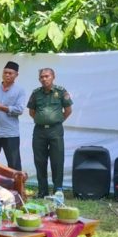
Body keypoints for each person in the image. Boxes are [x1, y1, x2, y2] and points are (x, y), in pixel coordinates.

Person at [28, 68, 73, 197]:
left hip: (56, 131)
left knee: (57, 160)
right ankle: (42, 191)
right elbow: (32, 112)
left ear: (53, 77)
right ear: (39, 79)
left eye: (47, 76)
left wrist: (57, 121)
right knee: (40, 161)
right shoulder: (36, 93)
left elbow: (68, 110)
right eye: (42, 77)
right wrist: (42, 120)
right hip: (39, 131)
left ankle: (58, 189)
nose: (44, 79)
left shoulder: (61, 91)